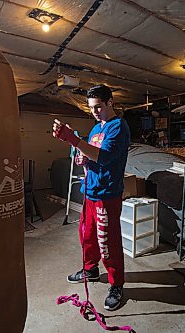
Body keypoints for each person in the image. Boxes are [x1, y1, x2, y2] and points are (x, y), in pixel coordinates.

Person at [52, 84, 130, 311]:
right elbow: (92, 155)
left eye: (98, 107)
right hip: (90, 190)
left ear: (110, 103)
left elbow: (104, 157)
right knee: (86, 234)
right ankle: (90, 270)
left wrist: (73, 140)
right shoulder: (97, 129)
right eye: (91, 108)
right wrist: (82, 158)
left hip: (108, 193)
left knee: (108, 241)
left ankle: (117, 284)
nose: (95, 112)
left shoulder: (118, 127)